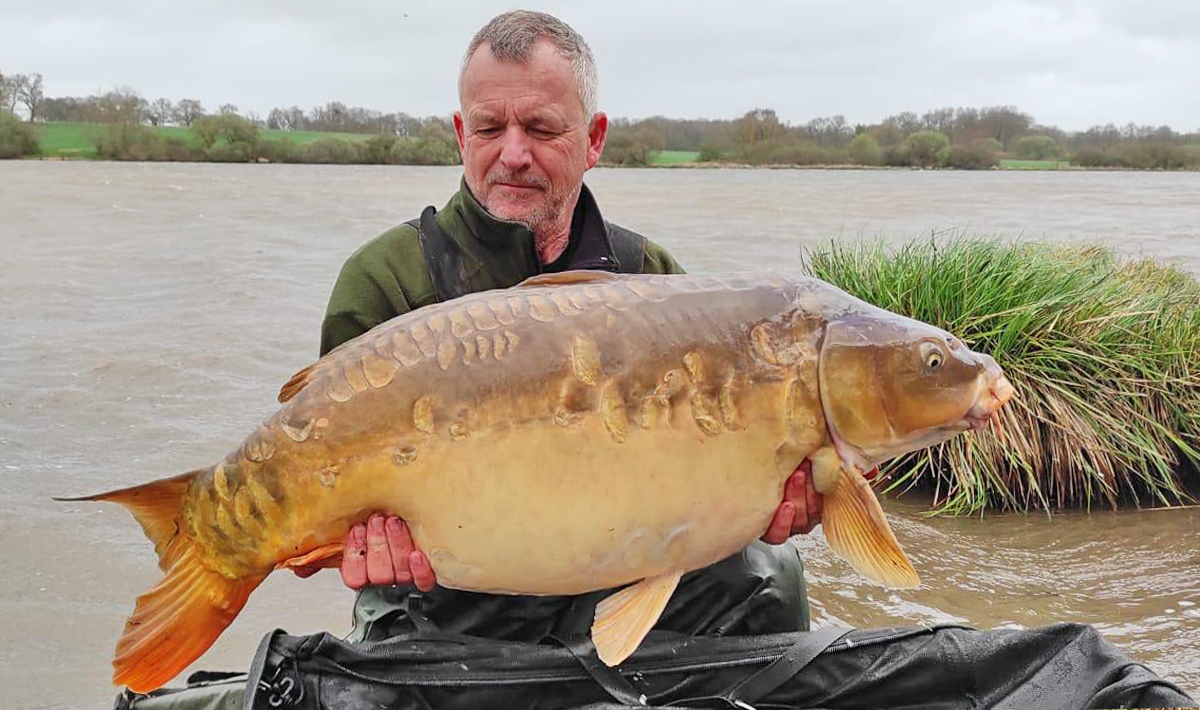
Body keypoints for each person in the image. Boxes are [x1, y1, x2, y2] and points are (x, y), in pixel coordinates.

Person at [295, 9, 825, 648]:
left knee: (773, 576)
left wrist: (763, 497)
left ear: (594, 138)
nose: (512, 154)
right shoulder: (384, 279)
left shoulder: (651, 278)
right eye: (489, 127)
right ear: (460, 133)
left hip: (618, 570)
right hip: (443, 594)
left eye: (542, 128)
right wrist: (358, 546)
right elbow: (337, 485)